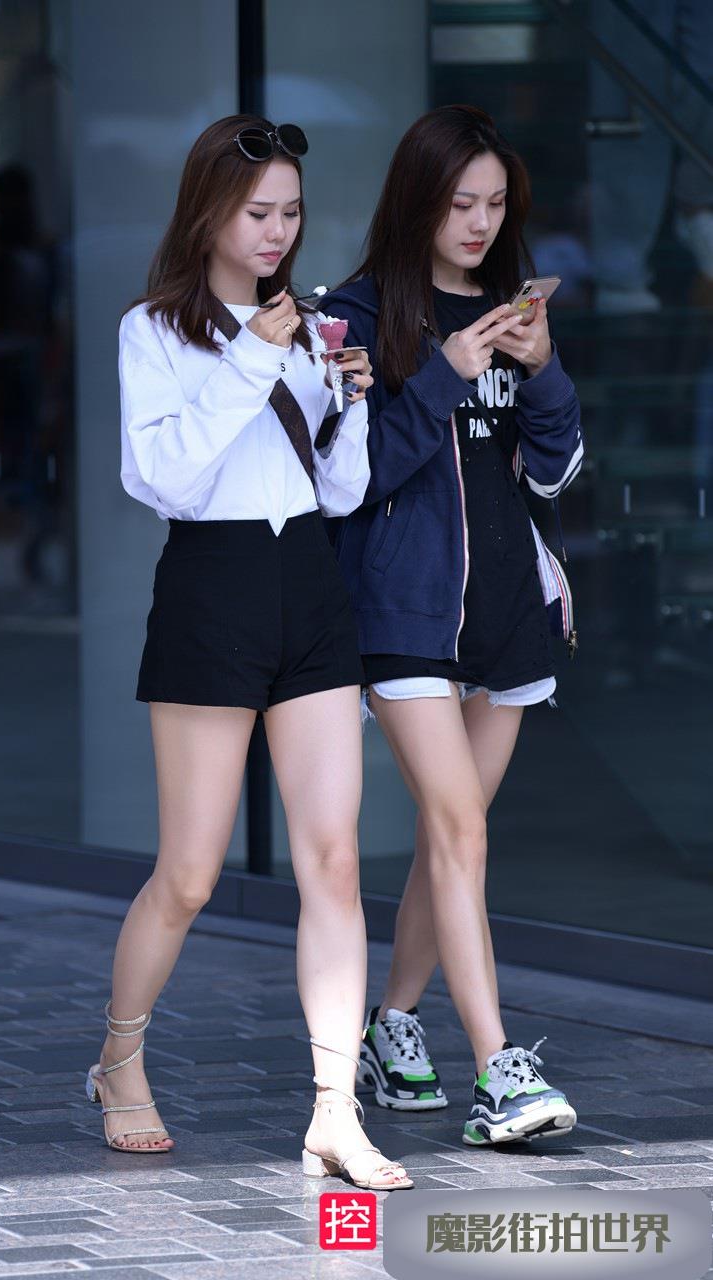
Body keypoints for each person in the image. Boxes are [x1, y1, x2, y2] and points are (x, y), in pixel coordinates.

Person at [89, 115, 412, 1190]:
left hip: (309, 587)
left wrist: (349, 405)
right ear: (207, 213)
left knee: (333, 859)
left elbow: (341, 492)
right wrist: (253, 357)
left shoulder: (312, 328)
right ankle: (118, 1061)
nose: (277, 232)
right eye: (256, 212)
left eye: (290, 213)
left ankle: (334, 1110)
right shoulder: (154, 330)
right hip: (212, 588)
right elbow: (166, 481)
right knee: (189, 872)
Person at [322, 105, 583, 1146]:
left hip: (506, 610)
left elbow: (553, 470)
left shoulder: (513, 312)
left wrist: (544, 364)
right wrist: (444, 374)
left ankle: (392, 1023)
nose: (479, 223)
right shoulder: (356, 314)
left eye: (495, 203)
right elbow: (353, 477)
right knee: (459, 827)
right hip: (404, 607)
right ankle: (497, 1072)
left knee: (454, 834)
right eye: (460, 202)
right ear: (417, 200)